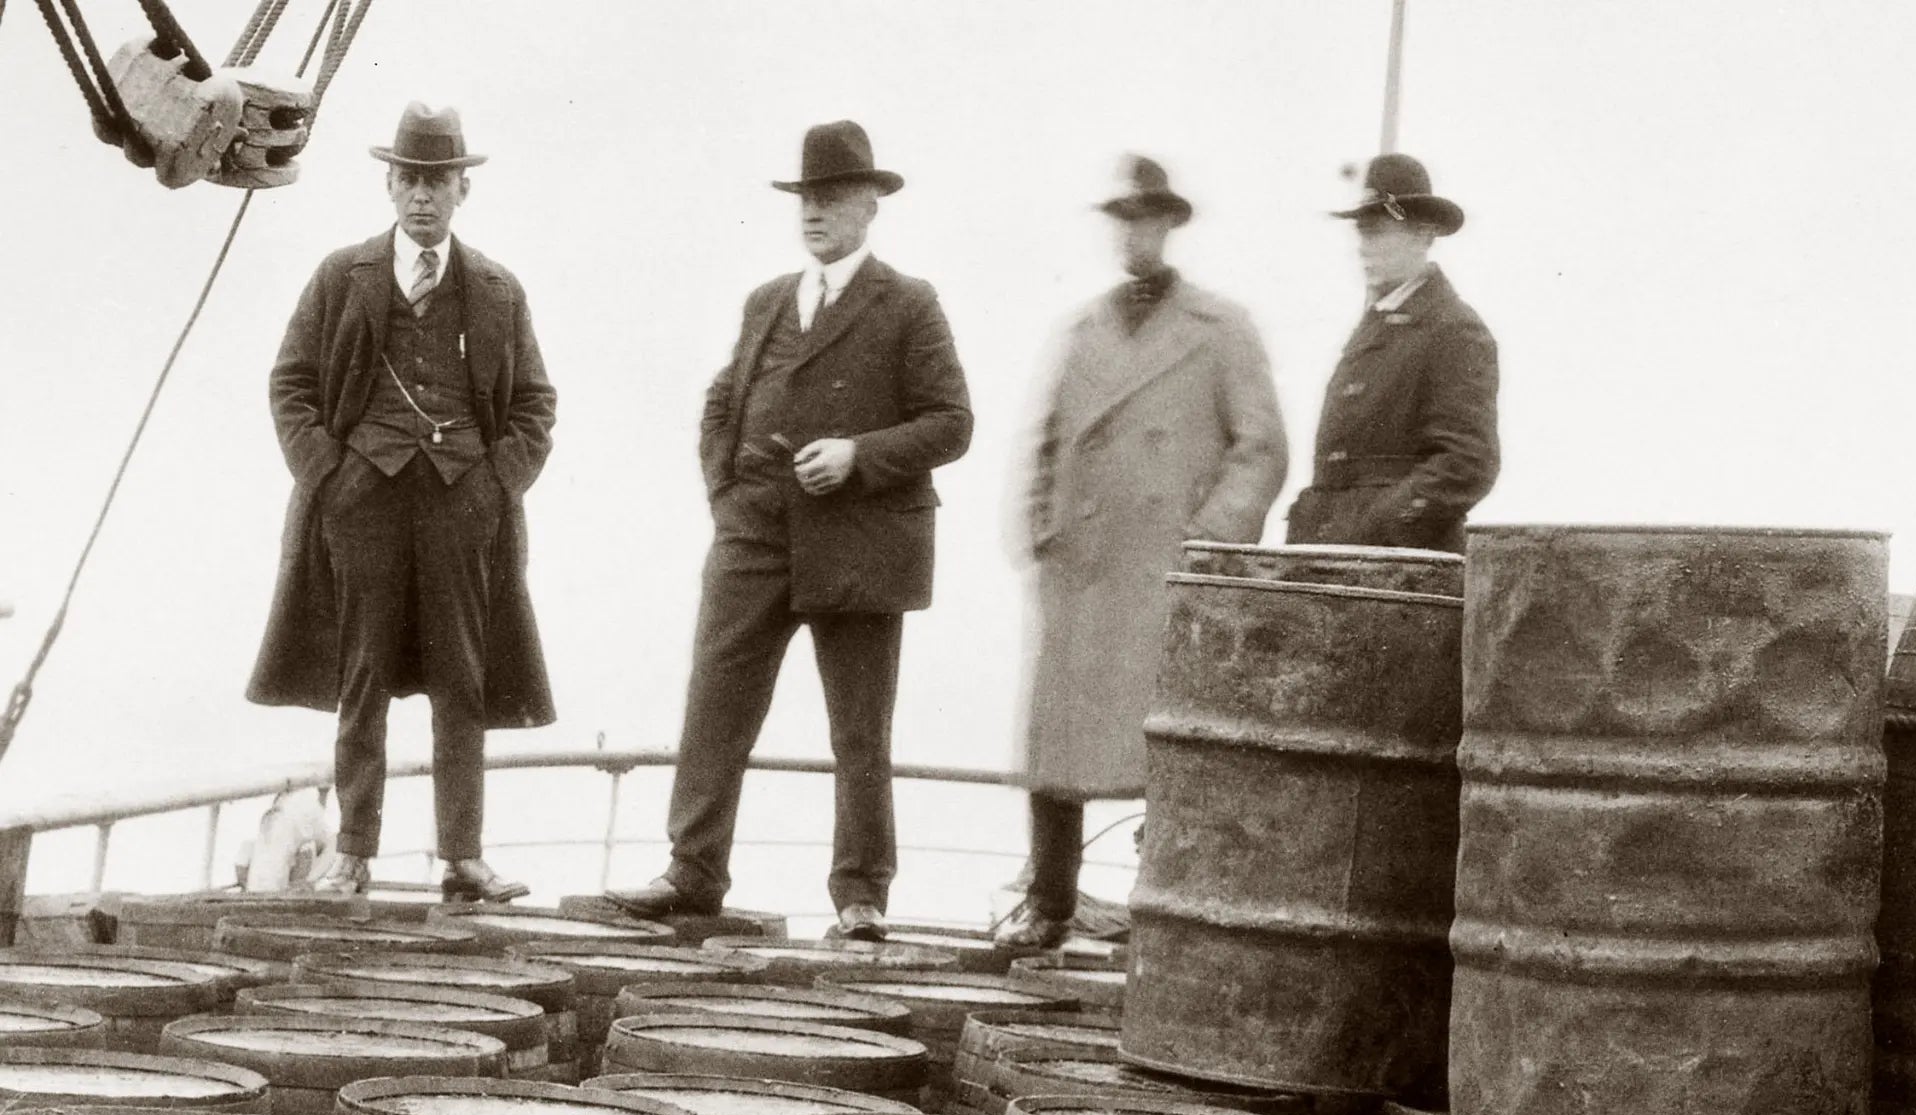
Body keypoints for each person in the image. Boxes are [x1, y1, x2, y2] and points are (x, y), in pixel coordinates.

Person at [609, 121, 972, 938]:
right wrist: (727, 494)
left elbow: (952, 422)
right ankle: (692, 870)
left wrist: (858, 454)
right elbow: (720, 402)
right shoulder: (767, 301)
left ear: (871, 206)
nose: (816, 213)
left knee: (859, 728)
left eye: (835, 197)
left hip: (859, 545)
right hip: (754, 534)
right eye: (808, 197)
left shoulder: (909, 303)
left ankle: (861, 895)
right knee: (716, 705)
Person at [247, 102, 556, 902]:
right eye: (411, 179)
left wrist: (493, 487)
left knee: (465, 680)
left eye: (439, 181)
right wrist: (330, 475)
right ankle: (352, 852)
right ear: (389, 185)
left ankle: (463, 855)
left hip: (462, 509)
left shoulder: (496, 289)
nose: (424, 196)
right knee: (363, 673)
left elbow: (534, 408)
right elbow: (291, 386)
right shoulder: (340, 276)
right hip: (363, 507)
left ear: (463, 191)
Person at [998, 156, 1286, 952]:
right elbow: (1047, 441)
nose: (1136, 233)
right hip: (1084, 566)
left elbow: (1261, 447)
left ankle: (1158, 914)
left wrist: (1209, 542)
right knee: (1057, 746)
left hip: (1165, 566)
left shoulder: (1221, 328)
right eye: (1123, 219)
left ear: (1169, 225)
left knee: (1164, 746)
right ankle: (1049, 902)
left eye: (1148, 219)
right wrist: (1038, 533)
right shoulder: (1082, 328)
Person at [1286, 152, 1498, 552]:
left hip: (1400, 565)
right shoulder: (1378, 323)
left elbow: (1468, 462)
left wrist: (1380, 524)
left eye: (1378, 231)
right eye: (1361, 231)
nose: (1364, 247)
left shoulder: (1454, 328)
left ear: (1423, 234)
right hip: (1341, 556)